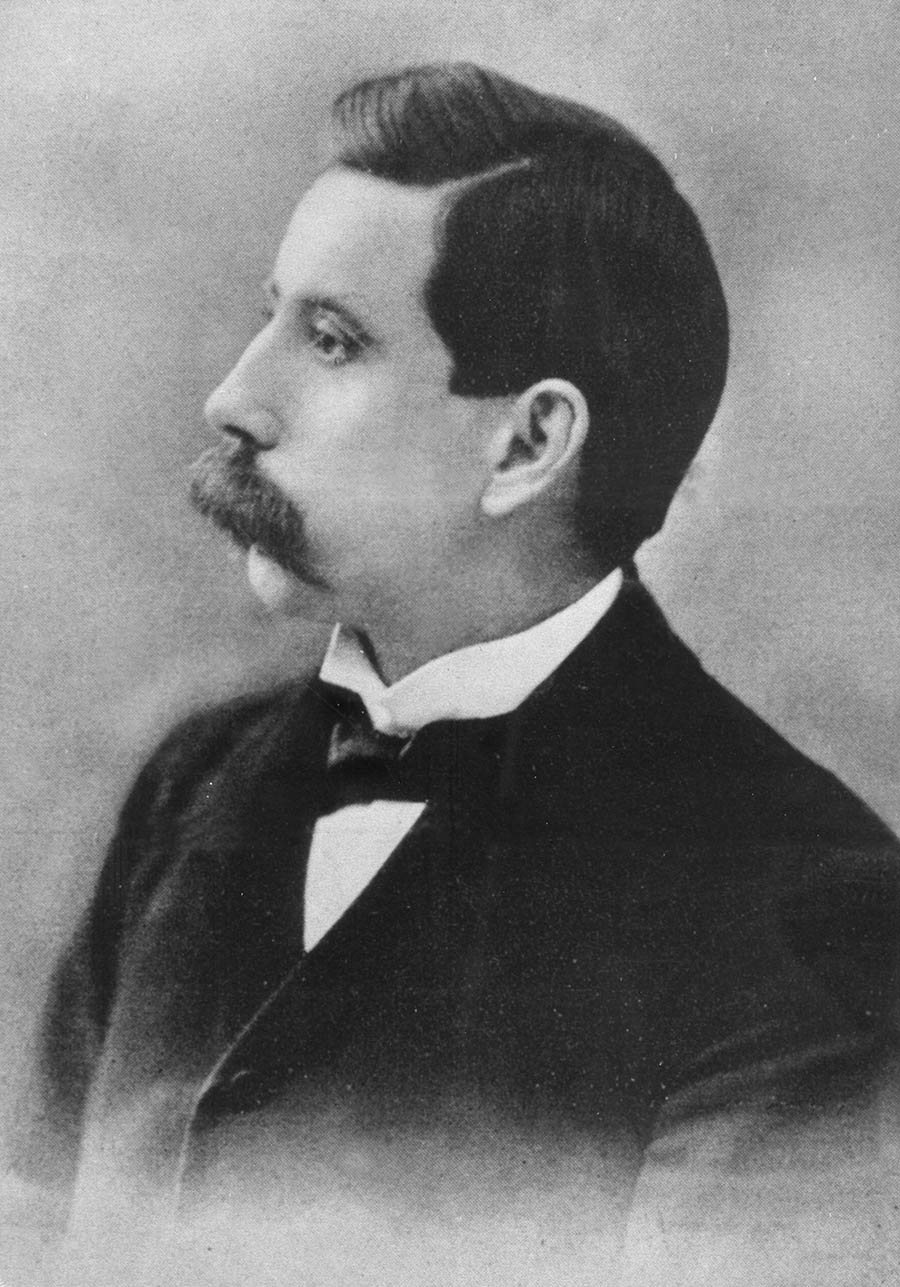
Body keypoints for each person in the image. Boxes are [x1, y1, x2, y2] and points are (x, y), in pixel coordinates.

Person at [14, 62, 900, 1286]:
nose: (233, 398)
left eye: (332, 341)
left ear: (528, 443)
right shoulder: (191, 782)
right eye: (271, 317)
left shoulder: (807, 907)